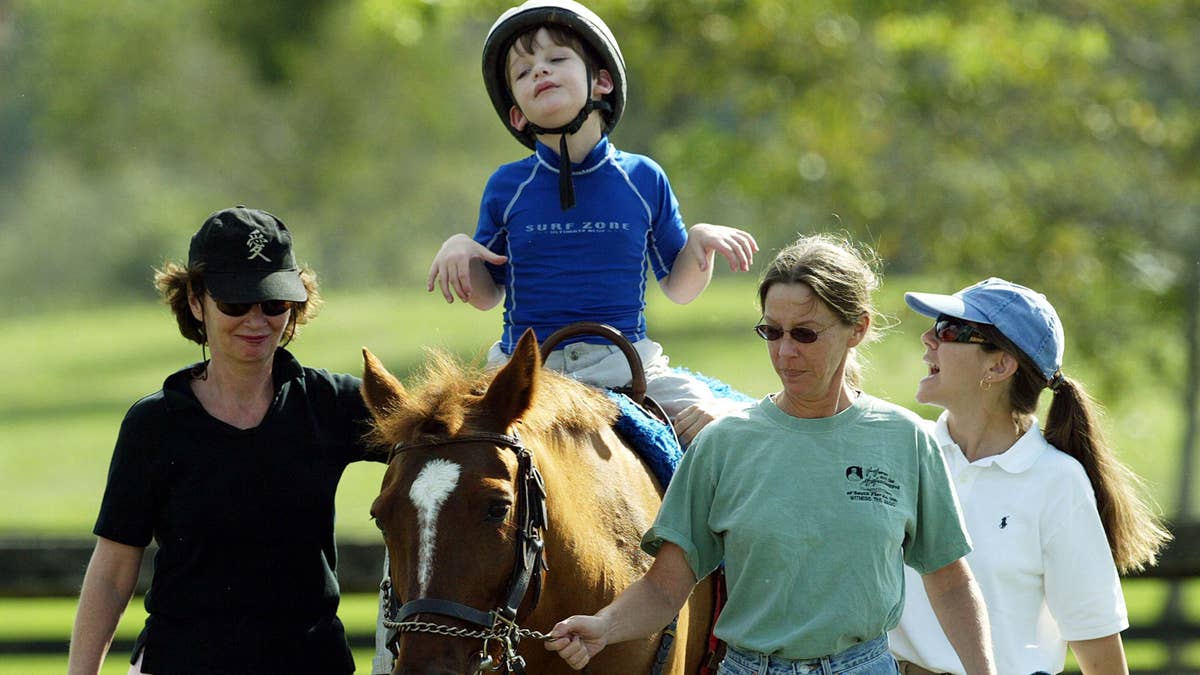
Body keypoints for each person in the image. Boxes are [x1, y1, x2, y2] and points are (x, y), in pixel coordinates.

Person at [544, 234, 997, 674]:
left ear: (857, 328)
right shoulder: (724, 445)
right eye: (771, 331)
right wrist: (605, 625)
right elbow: (665, 590)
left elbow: (950, 580)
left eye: (804, 334)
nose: (784, 353)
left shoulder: (904, 440)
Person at [67, 206, 382, 675]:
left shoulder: (333, 405)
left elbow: (454, 444)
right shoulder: (155, 425)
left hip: (311, 664)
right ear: (196, 301)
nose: (256, 320)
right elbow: (113, 573)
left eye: (274, 303)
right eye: (236, 303)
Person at [425, 0, 758, 437]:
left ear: (601, 81)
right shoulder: (507, 186)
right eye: (523, 72)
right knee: (436, 445)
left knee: (727, 428)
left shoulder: (643, 177)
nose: (539, 72)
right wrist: (461, 249)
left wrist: (698, 243)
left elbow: (679, 289)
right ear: (517, 114)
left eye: (556, 59)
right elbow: (487, 295)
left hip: (628, 363)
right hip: (522, 373)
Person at [889, 278, 1172, 675]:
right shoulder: (903, 452)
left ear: (999, 365)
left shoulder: (1057, 483)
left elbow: (1101, 655)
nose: (927, 338)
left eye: (948, 330)